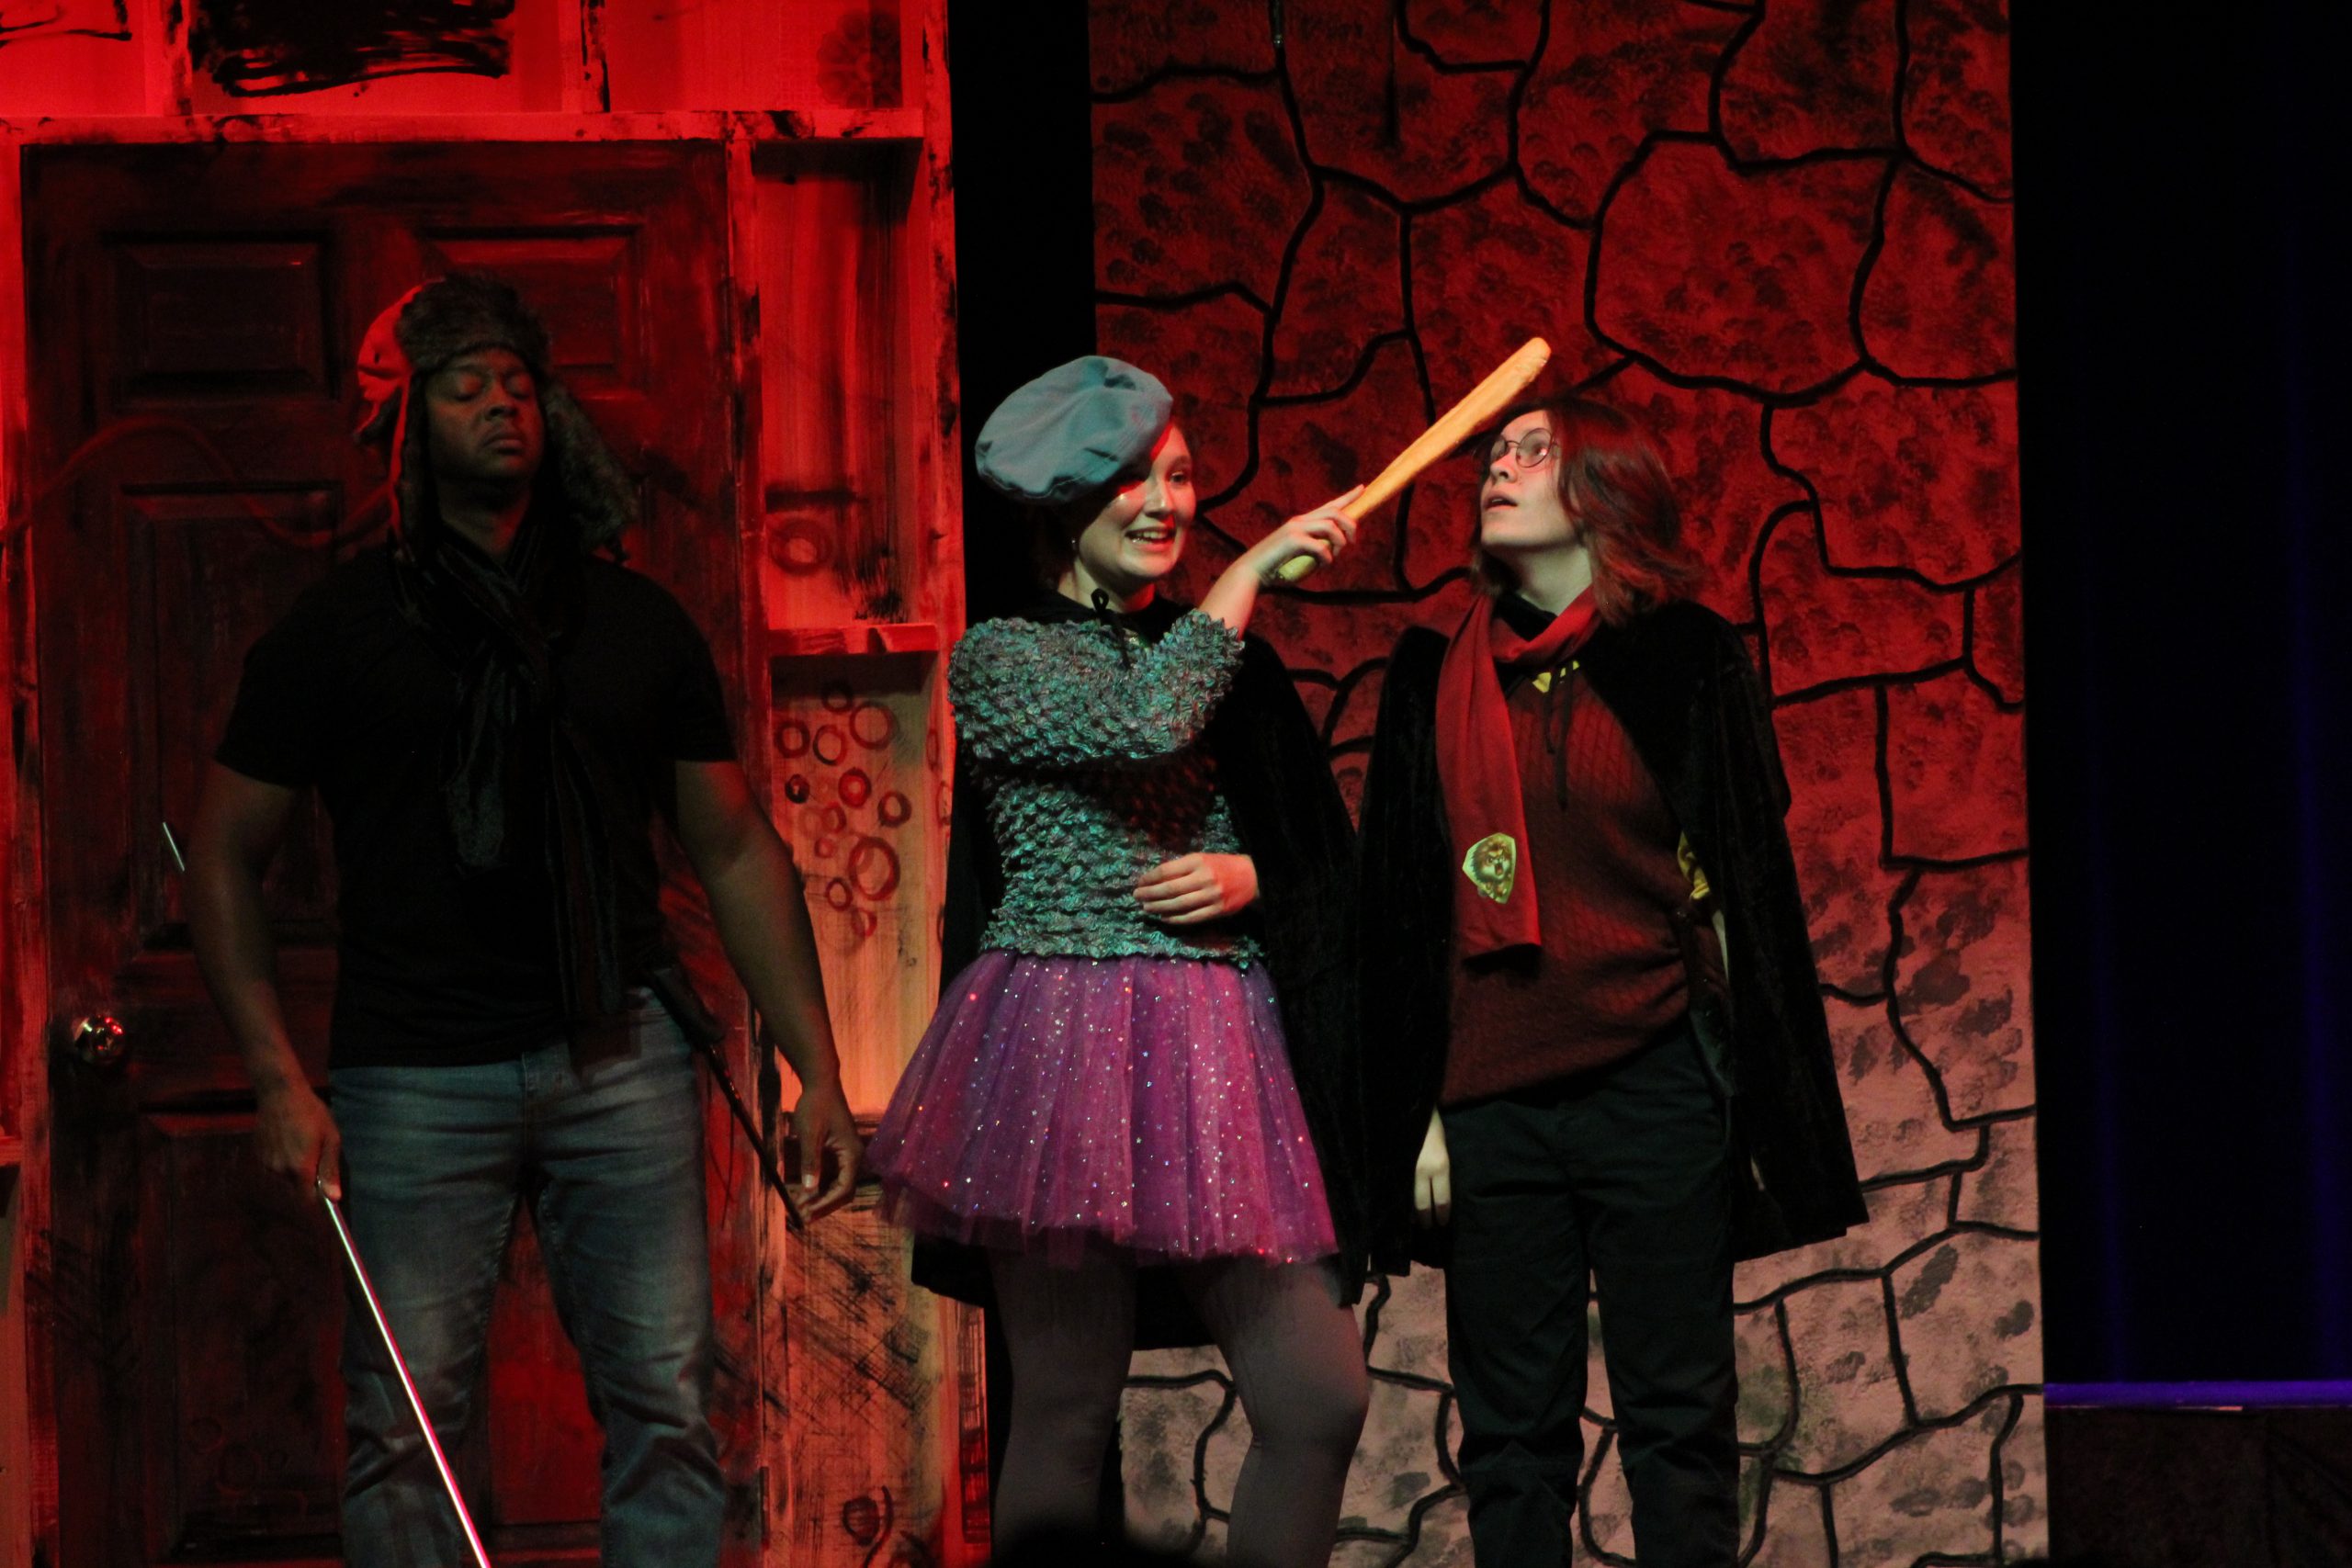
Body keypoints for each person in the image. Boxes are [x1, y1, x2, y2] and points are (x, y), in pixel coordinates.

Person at [186, 275, 861, 1566]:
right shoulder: (338, 631)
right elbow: (221, 853)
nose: (502, 404)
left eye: (518, 383)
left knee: (669, 1404)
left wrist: (816, 1066)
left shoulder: (631, 621)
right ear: (403, 424)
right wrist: (275, 1074)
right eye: (464, 386)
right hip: (413, 1072)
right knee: (405, 1427)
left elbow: (732, 846)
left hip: (620, 1056)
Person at [864, 357, 1391, 1566]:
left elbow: (1318, 850)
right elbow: (1146, 717)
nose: (1166, 504)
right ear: (1061, 504)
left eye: (1181, 475)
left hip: (1220, 1043)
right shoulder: (1001, 656)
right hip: (1059, 1043)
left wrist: (1254, 876)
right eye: (1131, 479)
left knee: (1318, 1395)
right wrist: (1250, 573)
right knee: (1064, 1401)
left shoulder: (1227, 659)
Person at [1357, 396, 1868, 1567]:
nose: (1498, 466)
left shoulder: (1682, 658)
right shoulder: (1433, 674)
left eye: (1533, 451)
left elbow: (1742, 879)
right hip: (1491, 1099)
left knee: (1678, 1425)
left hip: (1653, 1080)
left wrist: (1747, 1085)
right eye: (1494, 452)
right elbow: (1399, 906)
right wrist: (1417, 1108)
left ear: (1604, 491)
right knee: (1510, 1441)